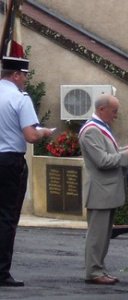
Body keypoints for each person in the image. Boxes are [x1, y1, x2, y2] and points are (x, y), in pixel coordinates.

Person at [0, 56, 53, 287]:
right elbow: (30, 136)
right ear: (16, 75)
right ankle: (1, 271)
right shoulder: (19, 98)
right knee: (7, 217)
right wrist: (44, 132)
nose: (25, 81)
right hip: (10, 161)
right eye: (24, 76)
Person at [79, 94, 128, 285]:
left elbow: (110, 154)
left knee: (103, 236)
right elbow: (103, 161)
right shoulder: (91, 131)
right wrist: (127, 154)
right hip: (100, 191)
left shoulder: (101, 128)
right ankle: (93, 271)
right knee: (97, 236)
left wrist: (127, 150)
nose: (116, 115)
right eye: (114, 111)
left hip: (106, 191)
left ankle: (99, 268)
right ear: (102, 109)